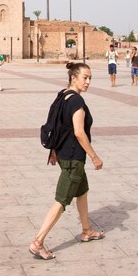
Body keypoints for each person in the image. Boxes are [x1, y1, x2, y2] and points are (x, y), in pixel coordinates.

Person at [29, 62, 104, 261]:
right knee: (62, 200)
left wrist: (54, 150)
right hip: (73, 158)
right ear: (74, 77)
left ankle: (86, 230)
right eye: (85, 77)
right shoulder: (76, 102)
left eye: (90, 78)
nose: (88, 81)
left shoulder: (63, 95)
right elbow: (79, 132)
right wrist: (94, 156)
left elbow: (57, 125)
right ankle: (38, 241)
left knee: (82, 191)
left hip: (63, 154)